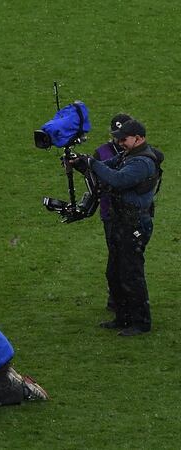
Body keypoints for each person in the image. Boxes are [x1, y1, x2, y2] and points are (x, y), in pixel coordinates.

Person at [72, 119, 163, 336]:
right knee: (115, 272)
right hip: (122, 221)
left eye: (123, 139)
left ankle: (141, 323)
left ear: (138, 139)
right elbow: (106, 169)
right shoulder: (128, 155)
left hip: (134, 224)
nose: (119, 142)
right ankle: (123, 318)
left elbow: (117, 179)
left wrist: (92, 164)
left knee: (131, 273)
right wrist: (82, 162)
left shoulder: (142, 162)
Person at [93, 114, 132, 313]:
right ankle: (117, 299)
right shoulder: (102, 152)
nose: (119, 139)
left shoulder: (135, 154)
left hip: (128, 212)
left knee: (124, 258)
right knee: (116, 257)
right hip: (110, 212)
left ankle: (123, 300)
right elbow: (95, 180)